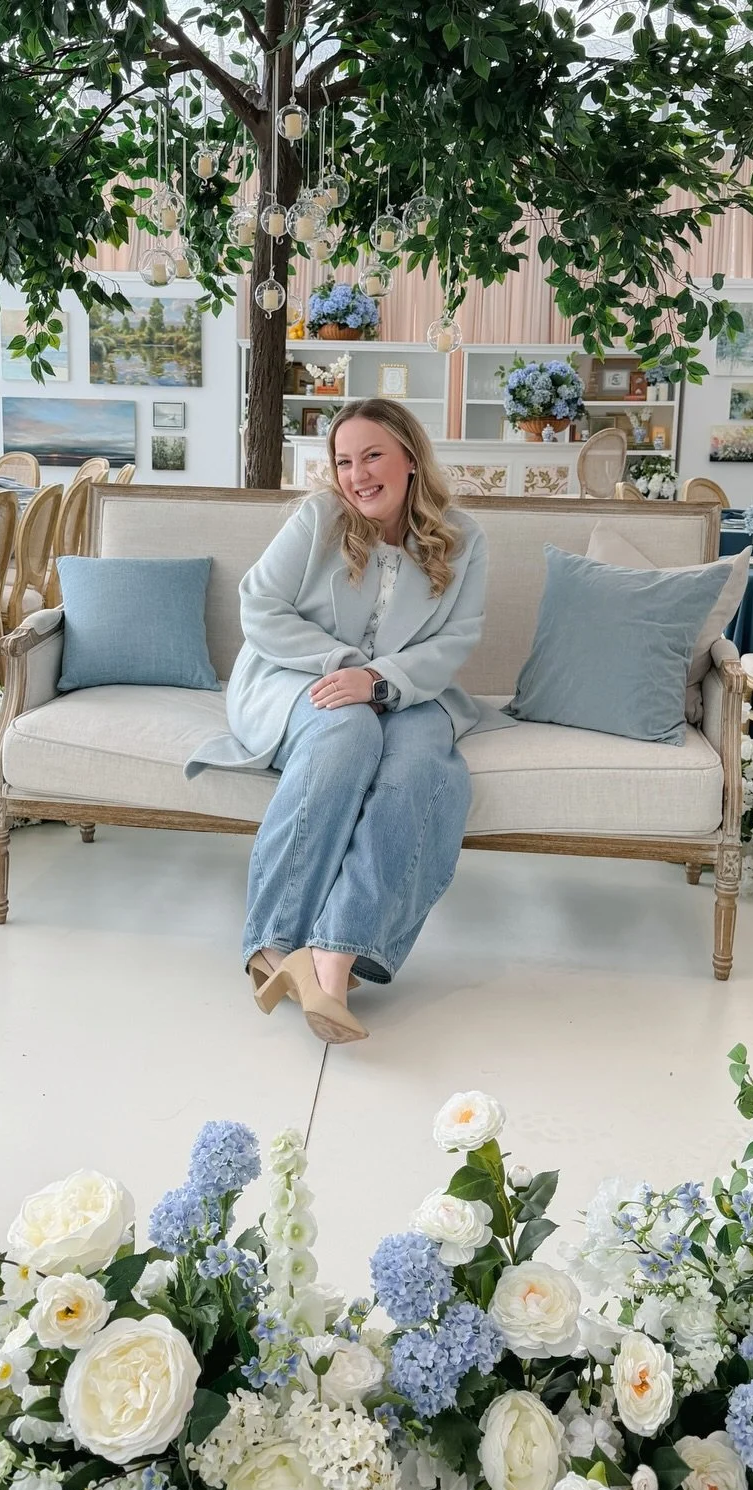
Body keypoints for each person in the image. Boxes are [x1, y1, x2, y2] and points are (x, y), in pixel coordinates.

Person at [186, 399, 508, 1044]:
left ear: (410, 460)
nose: (357, 475)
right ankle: (275, 945)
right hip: (293, 675)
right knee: (348, 731)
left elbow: (455, 640)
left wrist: (380, 680)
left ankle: (333, 961)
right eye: (343, 461)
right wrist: (342, 665)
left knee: (421, 766)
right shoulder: (318, 518)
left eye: (372, 456)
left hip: (410, 689)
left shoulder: (463, 538)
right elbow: (261, 607)